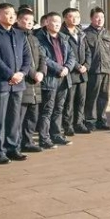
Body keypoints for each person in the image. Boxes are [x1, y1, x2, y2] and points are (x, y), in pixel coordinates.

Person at [0, 3, 32, 164]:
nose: (11, 16)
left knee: (14, 119)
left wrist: (22, 73)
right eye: (6, 13)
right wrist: (10, 75)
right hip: (1, 83)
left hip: (18, 84)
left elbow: (27, 57)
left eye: (13, 13)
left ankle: (13, 148)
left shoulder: (20, 35)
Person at [37, 12, 75, 145]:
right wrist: (59, 69)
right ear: (47, 22)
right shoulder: (39, 37)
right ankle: (44, 138)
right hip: (50, 78)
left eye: (59, 22)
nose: (57, 24)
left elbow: (71, 55)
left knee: (59, 109)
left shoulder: (63, 38)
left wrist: (67, 68)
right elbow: (43, 58)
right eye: (54, 21)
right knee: (47, 110)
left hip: (64, 79)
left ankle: (56, 135)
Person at [82, 7, 110, 131]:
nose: (100, 20)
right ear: (91, 18)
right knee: (92, 96)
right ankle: (90, 121)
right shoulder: (85, 34)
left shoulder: (107, 33)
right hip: (93, 70)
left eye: (102, 17)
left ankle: (101, 120)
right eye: (97, 17)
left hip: (106, 69)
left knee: (104, 96)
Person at [17, 6, 46, 153]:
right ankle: (16, 144)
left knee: (32, 116)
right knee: (20, 116)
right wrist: (33, 73)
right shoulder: (16, 37)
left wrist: (41, 72)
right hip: (24, 82)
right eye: (26, 19)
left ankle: (28, 142)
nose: (29, 22)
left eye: (31, 20)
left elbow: (42, 57)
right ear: (18, 20)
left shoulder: (34, 38)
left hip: (36, 83)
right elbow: (20, 60)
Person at [60, 8, 90, 135]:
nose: (75, 19)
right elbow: (65, 54)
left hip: (83, 74)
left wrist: (86, 65)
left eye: (77, 16)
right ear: (65, 18)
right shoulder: (62, 34)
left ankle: (79, 123)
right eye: (71, 16)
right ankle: (68, 125)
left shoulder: (81, 33)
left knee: (81, 100)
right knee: (69, 101)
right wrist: (77, 66)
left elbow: (88, 51)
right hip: (71, 73)